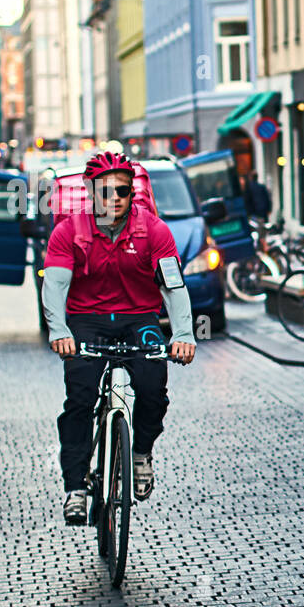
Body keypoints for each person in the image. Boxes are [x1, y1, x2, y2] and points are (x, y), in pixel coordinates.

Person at [42, 151, 197, 525]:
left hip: (138, 318)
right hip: (86, 320)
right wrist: (60, 331)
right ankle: (76, 487)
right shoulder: (68, 231)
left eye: (123, 191)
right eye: (105, 191)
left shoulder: (155, 231)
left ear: (133, 193)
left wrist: (184, 334)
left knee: (152, 387)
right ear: (91, 191)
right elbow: (55, 284)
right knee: (79, 399)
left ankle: (141, 453)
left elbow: (173, 287)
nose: (114, 199)